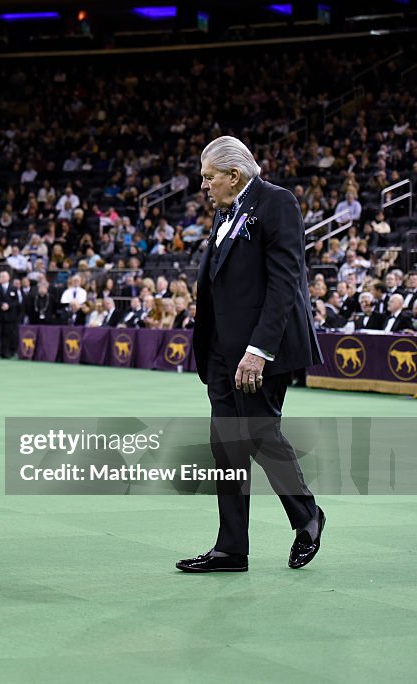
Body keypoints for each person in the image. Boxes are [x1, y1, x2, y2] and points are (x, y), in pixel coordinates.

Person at [180, 135, 324, 574]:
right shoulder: (225, 212)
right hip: (221, 353)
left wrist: (258, 351)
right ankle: (230, 549)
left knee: (260, 434)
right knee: (226, 445)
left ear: (233, 175)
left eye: (208, 177)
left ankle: (308, 517)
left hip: (261, 351)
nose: (203, 185)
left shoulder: (277, 203)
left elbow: (285, 284)